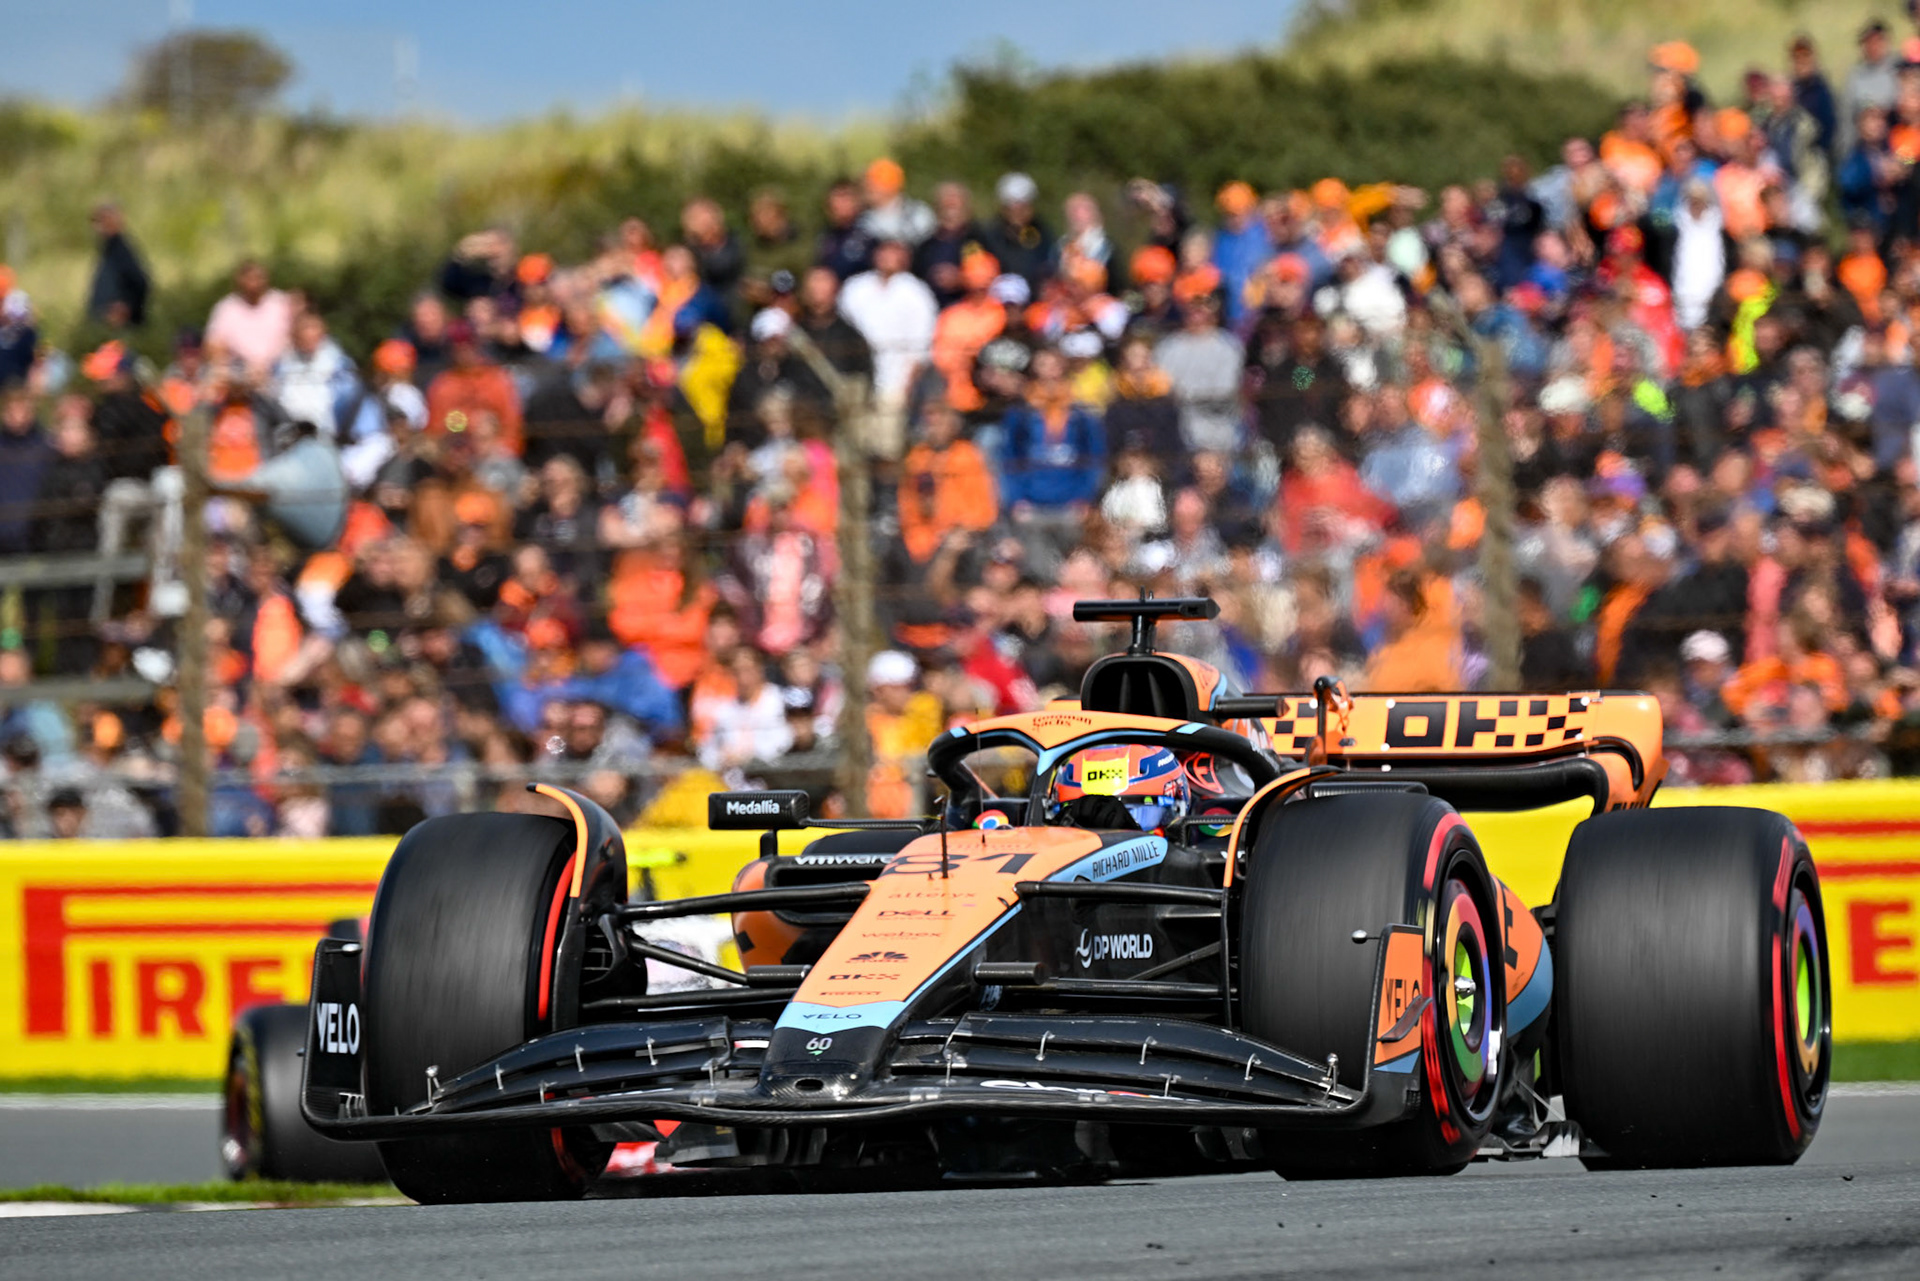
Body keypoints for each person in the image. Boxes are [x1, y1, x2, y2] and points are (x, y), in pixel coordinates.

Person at [838, 237, 937, 458]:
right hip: (856, 383)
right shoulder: (855, 288)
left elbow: (921, 348)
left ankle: (888, 493)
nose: (888, 257)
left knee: (888, 451)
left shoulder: (916, 292)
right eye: (884, 250)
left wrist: (907, 387)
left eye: (895, 251)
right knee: (855, 449)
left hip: (894, 383)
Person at [204, 259, 294, 380]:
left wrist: (266, 363)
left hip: (279, 366)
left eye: (258, 278)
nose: (254, 283)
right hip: (239, 369)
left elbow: (294, 335)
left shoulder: (281, 303)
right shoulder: (227, 308)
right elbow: (214, 343)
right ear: (240, 281)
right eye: (249, 279)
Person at [981, 173, 1055, 290]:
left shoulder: (1043, 234)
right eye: (1012, 206)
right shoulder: (990, 236)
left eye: (1023, 206)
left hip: (1034, 302)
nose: (1018, 211)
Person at [85, 204, 149, 330]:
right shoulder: (107, 249)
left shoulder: (121, 249)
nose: (98, 227)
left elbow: (140, 282)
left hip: (119, 328)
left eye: (102, 220)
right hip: (103, 324)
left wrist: (127, 306)